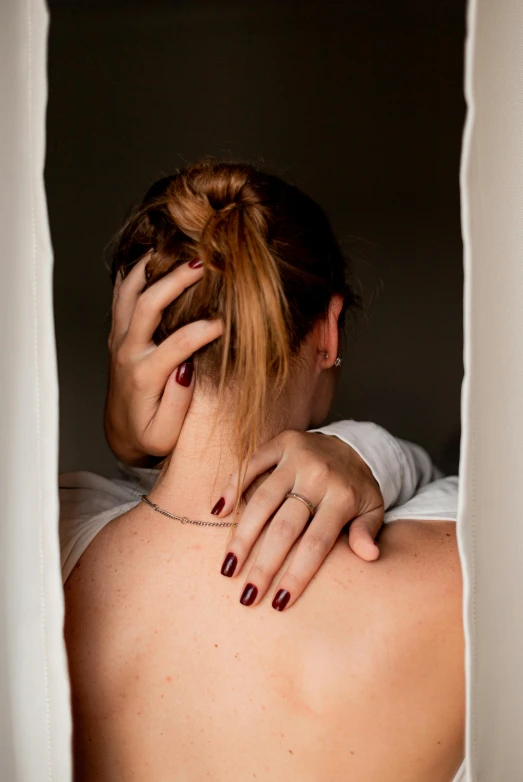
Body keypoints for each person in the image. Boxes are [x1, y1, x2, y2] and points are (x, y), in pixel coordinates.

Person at [61, 159, 464, 781]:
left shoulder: (43, 552)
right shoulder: (469, 571)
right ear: (328, 330)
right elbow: (475, 487)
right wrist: (368, 451)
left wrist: (128, 444)